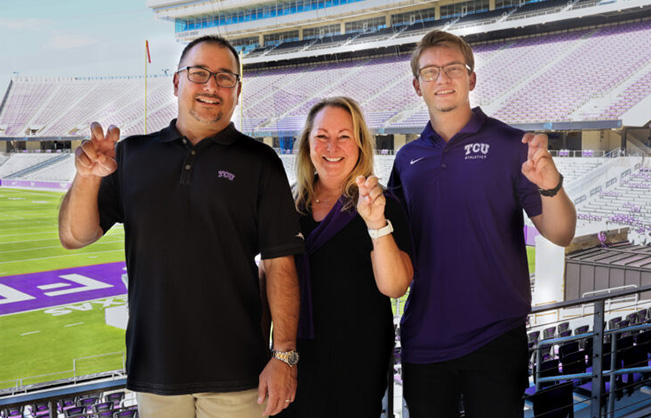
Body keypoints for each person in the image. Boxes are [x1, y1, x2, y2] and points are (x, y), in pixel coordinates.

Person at [58, 35, 305, 418]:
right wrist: (88, 178)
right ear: (176, 83)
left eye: (225, 77)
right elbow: (75, 236)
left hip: (239, 373)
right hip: (156, 369)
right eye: (199, 73)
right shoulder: (132, 154)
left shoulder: (261, 163)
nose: (211, 85)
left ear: (238, 91)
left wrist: (284, 355)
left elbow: (279, 265)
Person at [388, 30, 577, 417]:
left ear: (471, 78)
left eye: (453, 68)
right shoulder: (407, 159)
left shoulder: (511, 144)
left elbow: (561, 233)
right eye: (430, 72)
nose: (442, 79)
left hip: (495, 337)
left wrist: (551, 186)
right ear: (416, 85)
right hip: (425, 340)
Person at [276, 97, 414, 418]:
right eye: (322, 136)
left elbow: (395, 287)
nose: (332, 146)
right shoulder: (288, 206)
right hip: (297, 356)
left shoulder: (384, 204)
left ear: (361, 144)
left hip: (357, 360)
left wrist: (376, 223)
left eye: (344, 136)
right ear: (308, 144)